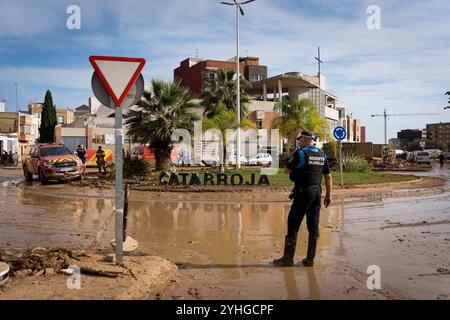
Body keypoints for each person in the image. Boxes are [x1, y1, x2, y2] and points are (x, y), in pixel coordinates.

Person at [273, 130, 332, 267]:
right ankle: (310, 259)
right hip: (317, 192)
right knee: (313, 224)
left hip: (303, 191)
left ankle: (288, 259)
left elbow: (286, 170)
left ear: (305, 140)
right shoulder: (322, 155)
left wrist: (295, 171)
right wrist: (329, 195)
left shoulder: (300, 153)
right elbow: (328, 176)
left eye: (300, 139)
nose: (299, 141)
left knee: (293, 222)